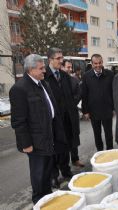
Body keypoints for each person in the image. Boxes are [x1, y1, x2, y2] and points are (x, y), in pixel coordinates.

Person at [9, 54, 66, 204]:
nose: (44, 71)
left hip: (49, 137)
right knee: (39, 175)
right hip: (35, 142)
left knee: (47, 173)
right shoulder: (19, 89)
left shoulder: (43, 83)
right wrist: (25, 144)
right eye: (41, 68)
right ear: (31, 69)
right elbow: (18, 121)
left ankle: (47, 200)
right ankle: (39, 202)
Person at [44, 48, 80, 186]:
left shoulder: (64, 76)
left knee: (66, 146)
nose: (61, 61)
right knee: (53, 149)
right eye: (58, 58)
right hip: (52, 120)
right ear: (50, 60)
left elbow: (71, 97)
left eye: (61, 58)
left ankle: (65, 171)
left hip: (66, 118)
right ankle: (53, 175)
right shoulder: (44, 76)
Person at [81, 54, 114, 151]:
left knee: (109, 134)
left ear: (102, 62)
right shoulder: (86, 76)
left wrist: (114, 108)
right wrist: (85, 111)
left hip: (107, 110)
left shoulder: (110, 74)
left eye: (100, 63)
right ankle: (100, 152)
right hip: (93, 111)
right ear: (92, 64)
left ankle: (110, 152)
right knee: (97, 134)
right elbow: (84, 95)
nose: (98, 65)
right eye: (95, 63)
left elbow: (113, 92)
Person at [61, 60, 84, 167]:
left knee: (74, 137)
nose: (69, 69)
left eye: (71, 67)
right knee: (64, 140)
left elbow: (79, 94)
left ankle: (75, 159)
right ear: (62, 67)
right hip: (61, 115)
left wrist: (70, 103)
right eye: (67, 67)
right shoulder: (57, 80)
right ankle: (63, 165)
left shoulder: (74, 80)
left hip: (72, 113)